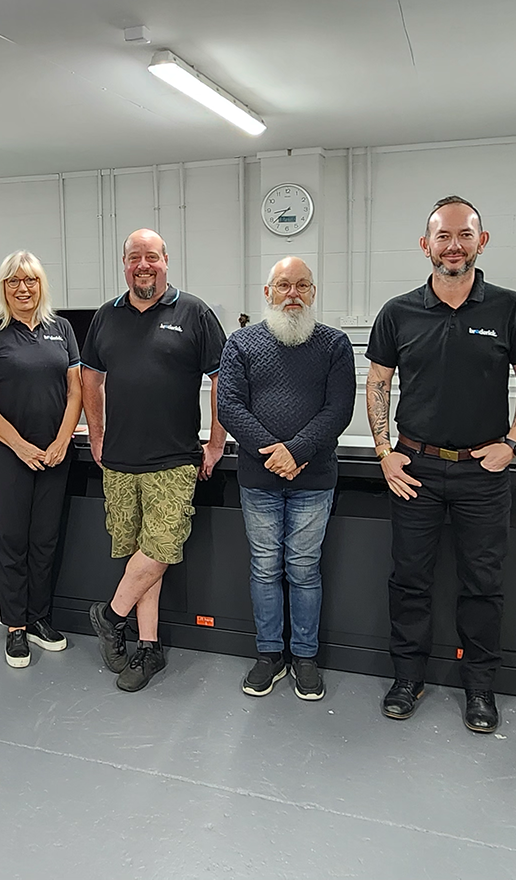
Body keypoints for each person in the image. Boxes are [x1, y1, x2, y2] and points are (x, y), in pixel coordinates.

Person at [365, 196, 516, 731]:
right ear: (426, 245)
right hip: (415, 469)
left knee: (482, 584)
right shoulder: (398, 312)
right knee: (409, 580)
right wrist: (384, 453)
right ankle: (408, 678)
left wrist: (513, 444)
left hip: (482, 472)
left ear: (481, 241)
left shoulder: (509, 308)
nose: (453, 245)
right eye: (443, 236)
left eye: (464, 235)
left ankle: (480, 688)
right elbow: (377, 382)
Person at [82, 229, 227, 692]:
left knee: (160, 549)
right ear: (124, 264)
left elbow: (222, 378)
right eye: (134, 258)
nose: (143, 265)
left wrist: (216, 441)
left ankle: (110, 616)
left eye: (151, 257)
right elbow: (90, 378)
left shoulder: (194, 313)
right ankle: (149, 648)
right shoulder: (105, 316)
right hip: (119, 460)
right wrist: (96, 434)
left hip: (174, 459)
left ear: (166, 260)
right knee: (140, 559)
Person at [216, 257, 354, 701]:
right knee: (264, 567)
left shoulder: (334, 344)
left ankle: (305, 657)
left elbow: (339, 409)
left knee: (304, 568)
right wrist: (276, 454)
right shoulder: (241, 343)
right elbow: (229, 406)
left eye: (302, 285)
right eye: (283, 285)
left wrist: (296, 451)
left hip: (314, 479)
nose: (293, 293)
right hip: (260, 480)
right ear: (267, 292)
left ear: (313, 292)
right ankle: (270, 654)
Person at [0, 251, 82, 669]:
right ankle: (15, 625)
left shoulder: (61, 328)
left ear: (41, 284)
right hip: (6, 453)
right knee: (11, 540)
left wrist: (62, 440)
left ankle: (38, 618)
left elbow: (75, 391)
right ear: (3, 287)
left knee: (44, 539)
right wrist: (18, 445)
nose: (23, 288)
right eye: (13, 281)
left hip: (53, 453)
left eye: (30, 280)